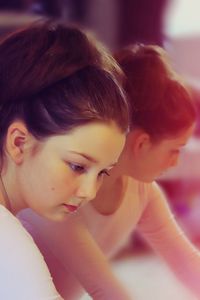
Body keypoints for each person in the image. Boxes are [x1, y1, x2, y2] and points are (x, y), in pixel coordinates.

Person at [18, 44, 199, 300]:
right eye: (174, 150)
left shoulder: (141, 191)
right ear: (142, 143)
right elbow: (105, 290)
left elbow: (185, 262)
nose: (176, 162)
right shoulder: (62, 190)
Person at [0, 19, 130, 300]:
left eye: (102, 173)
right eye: (77, 166)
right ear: (19, 142)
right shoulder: (8, 242)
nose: (89, 192)